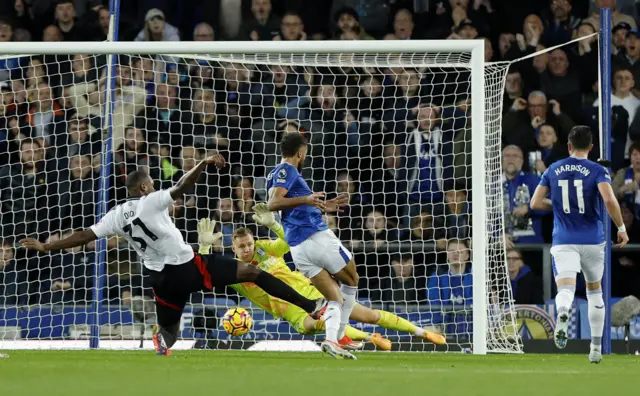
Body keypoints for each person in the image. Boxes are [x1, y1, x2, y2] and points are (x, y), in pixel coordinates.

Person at [20, 154, 327, 357]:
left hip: (159, 278)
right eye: (152, 183)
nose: (155, 186)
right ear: (144, 187)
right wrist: (204, 163)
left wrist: (47, 246)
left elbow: (85, 235)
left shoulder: (116, 215)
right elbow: (181, 186)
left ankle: (162, 342)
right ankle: (312, 305)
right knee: (255, 274)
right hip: (188, 266)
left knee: (170, 329)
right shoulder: (150, 200)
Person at [209, 205, 445, 350]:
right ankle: (369, 338)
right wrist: (202, 246)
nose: (248, 249)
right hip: (294, 313)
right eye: (243, 246)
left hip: (315, 292)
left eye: (249, 244)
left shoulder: (264, 249)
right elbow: (202, 273)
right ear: (234, 249)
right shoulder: (234, 272)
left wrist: (274, 224)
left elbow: (290, 242)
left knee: (369, 314)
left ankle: (421, 332)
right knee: (321, 322)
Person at [530, 125, 629, 364]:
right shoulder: (597, 170)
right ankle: (595, 348)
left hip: (564, 240)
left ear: (569, 145)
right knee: (595, 293)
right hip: (593, 241)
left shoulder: (554, 169)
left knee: (565, 288)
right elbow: (608, 198)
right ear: (591, 147)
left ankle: (563, 310)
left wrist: (559, 206)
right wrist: (621, 228)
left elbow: (534, 203)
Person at [266, 132, 357, 360]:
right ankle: (341, 334)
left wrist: (323, 205)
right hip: (315, 237)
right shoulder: (289, 169)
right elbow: (273, 203)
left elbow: (292, 207)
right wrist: (307, 200)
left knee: (334, 298)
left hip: (299, 248)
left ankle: (331, 340)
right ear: (300, 153)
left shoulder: (273, 174)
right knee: (352, 280)